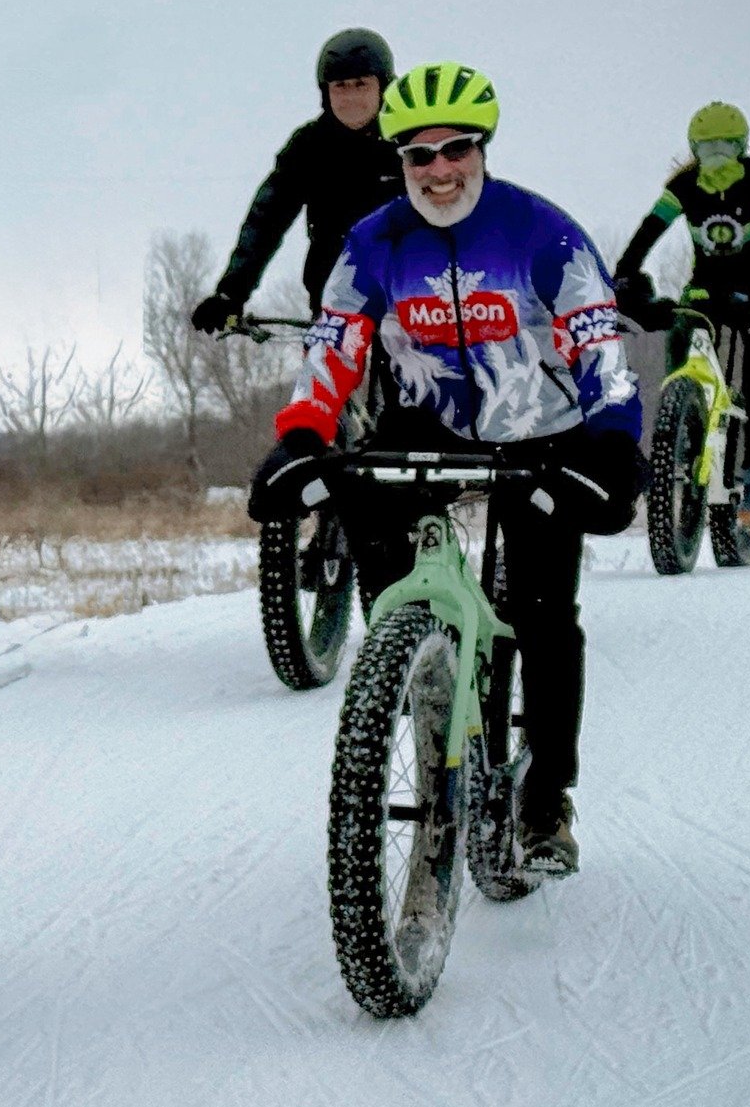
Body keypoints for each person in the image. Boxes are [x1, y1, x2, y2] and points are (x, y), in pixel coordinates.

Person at [247, 63, 643, 877]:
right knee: (364, 503)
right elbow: (336, 340)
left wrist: (611, 438)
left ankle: (546, 799)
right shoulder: (374, 241)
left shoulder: (543, 232)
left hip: (541, 430)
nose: (439, 170)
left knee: (543, 613)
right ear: (398, 160)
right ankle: (416, 666)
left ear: (482, 149)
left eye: (456, 149)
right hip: (428, 420)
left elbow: (596, 337)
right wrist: (303, 433)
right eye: (418, 155)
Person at [612, 101, 750, 525]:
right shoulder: (684, 185)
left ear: (742, 147)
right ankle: (682, 427)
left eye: (726, 147)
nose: (716, 156)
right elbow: (650, 229)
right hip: (707, 288)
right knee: (682, 334)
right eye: (707, 147)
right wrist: (624, 273)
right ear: (694, 149)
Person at [190, 28, 404, 333]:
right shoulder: (309, 147)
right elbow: (266, 220)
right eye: (340, 86)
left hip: (414, 300)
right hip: (335, 307)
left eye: (361, 84)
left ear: (383, 86)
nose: (351, 97)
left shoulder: (410, 141)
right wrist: (231, 293)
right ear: (326, 92)